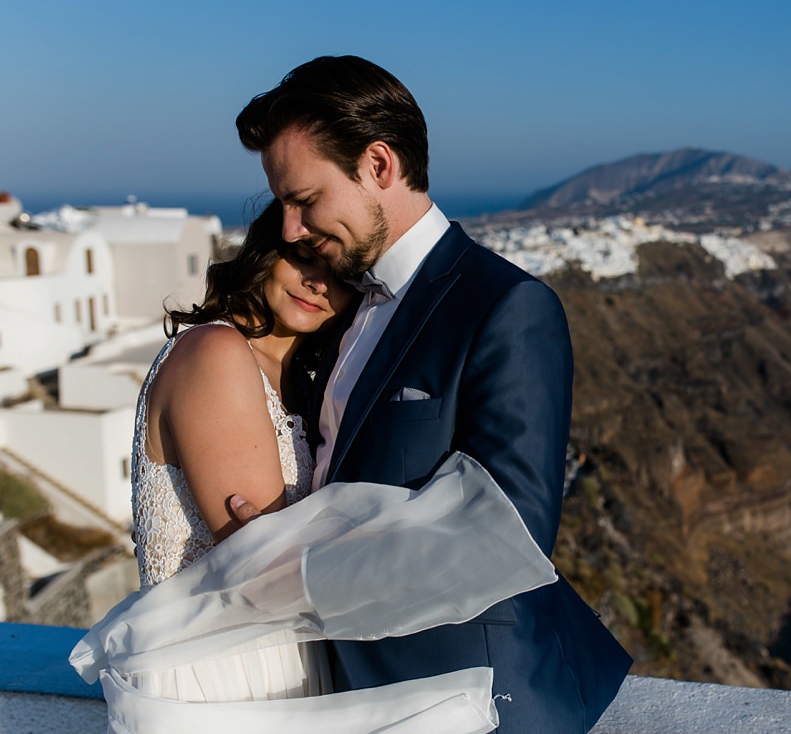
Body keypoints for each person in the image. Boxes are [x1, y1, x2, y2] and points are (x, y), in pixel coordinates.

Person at [227, 55, 631, 731]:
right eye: (282, 206)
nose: (291, 228)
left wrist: (298, 573)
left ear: (379, 166)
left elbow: (511, 530)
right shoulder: (339, 306)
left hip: (470, 704)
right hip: (350, 695)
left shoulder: (506, 306)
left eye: (305, 200)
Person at [126, 198, 354, 702]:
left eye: (342, 275)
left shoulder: (302, 381)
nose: (319, 283)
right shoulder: (216, 353)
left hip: (280, 655)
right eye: (307, 256)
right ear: (267, 250)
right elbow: (262, 565)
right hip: (219, 670)